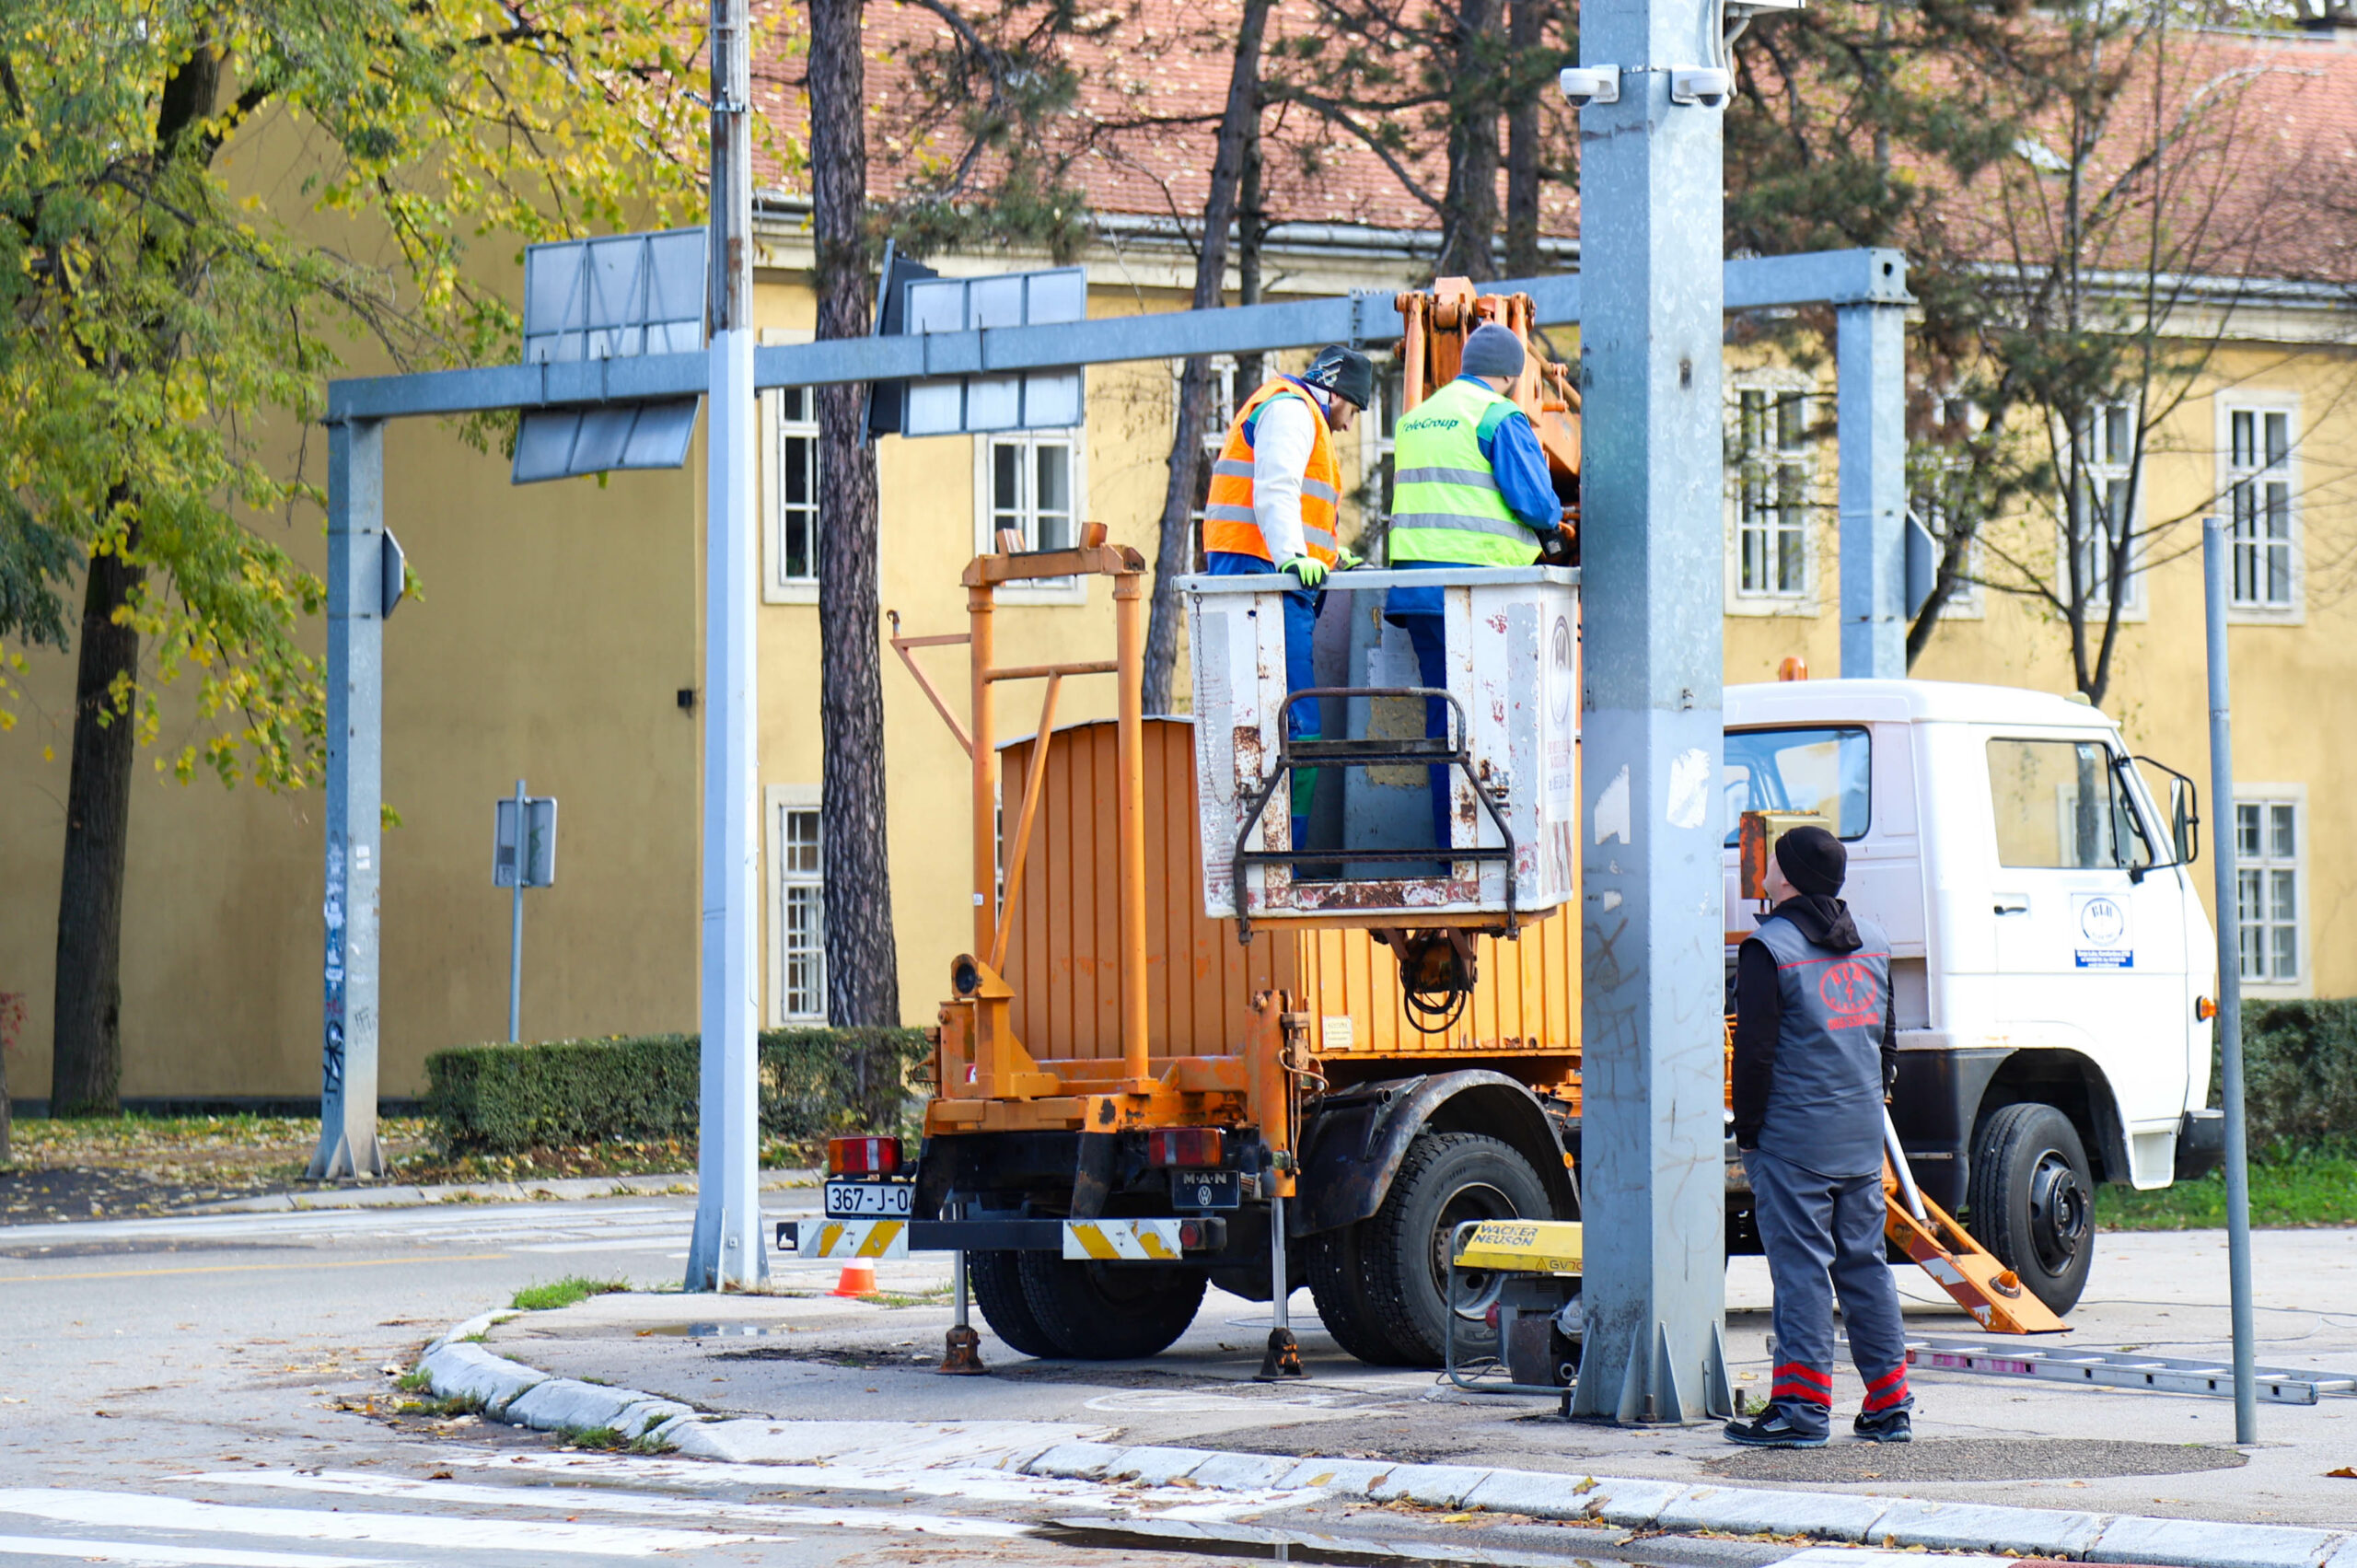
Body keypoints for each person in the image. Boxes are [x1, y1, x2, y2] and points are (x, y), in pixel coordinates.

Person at [1724, 825, 1914, 1448]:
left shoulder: (1768, 949)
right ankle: (1890, 1407)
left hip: (1792, 1140)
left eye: (1774, 863)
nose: (1766, 871)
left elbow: (1753, 1056)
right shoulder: (1875, 943)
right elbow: (1887, 1044)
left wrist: (1749, 1133)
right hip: (1859, 1136)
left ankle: (1802, 1409)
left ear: (1789, 877)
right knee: (1866, 1266)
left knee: (1802, 1271)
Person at [1383, 321, 1564, 852]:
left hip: (1417, 594)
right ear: (1512, 373)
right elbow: (1535, 502)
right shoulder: (1498, 416)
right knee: (1489, 726)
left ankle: (1450, 849)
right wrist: (1553, 525)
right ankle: (1485, 849)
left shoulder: (1416, 419)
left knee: (1448, 725)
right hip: (1476, 597)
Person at [1202, 344, 1375, 847]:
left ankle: (1282, 850)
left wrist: (1328, 555)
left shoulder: (1290, 410)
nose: (1348, 424)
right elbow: (1275, 490)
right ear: (1338, 393)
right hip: (1265, 580)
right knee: (1299, 726)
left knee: (1282, 723)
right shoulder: (1292, 411)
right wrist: (1291, 558)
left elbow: (1294, 504)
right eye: (1354, 410)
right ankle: (1285, 856)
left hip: (1266, 574)